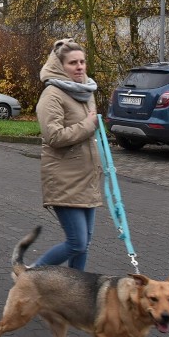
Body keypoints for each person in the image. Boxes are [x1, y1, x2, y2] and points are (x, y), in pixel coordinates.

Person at [30, 38, 103, 271]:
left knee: (84, 244)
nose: (80, 67)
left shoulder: (85, 91)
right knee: (77, 242)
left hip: (87, 178)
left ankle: (75, 294)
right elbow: (54, 136)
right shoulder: (52, 95)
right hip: (65, 179)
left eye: (82, 61)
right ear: (61, 67)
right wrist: (89, 125)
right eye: (73, 63)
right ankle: (31, 277)